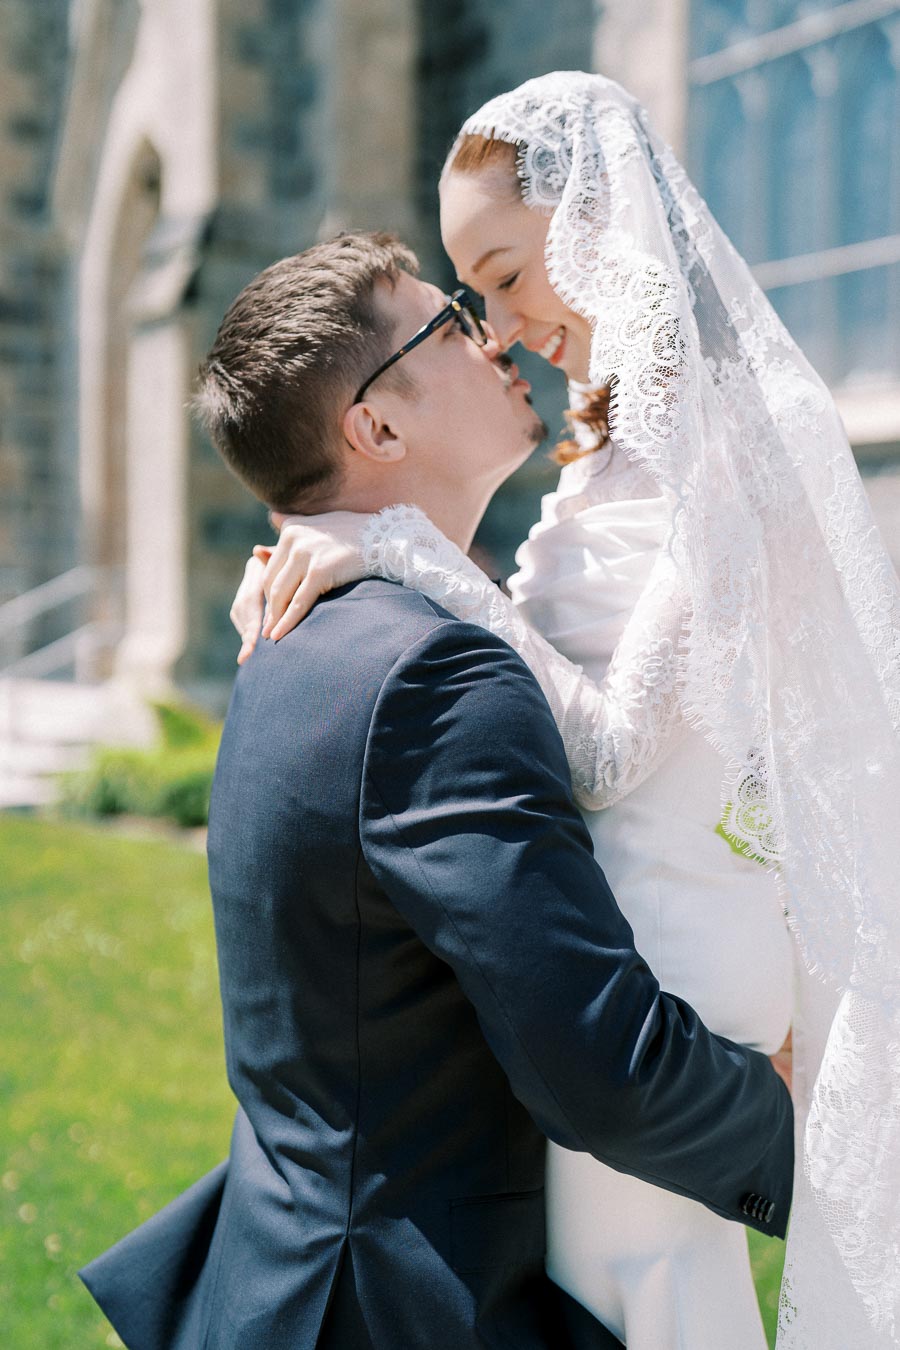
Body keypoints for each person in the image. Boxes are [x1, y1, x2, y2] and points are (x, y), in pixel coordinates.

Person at [231, 73, 900, 1348]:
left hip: (674, 968)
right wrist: (375, 570)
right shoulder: (611, 445)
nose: (495, 323)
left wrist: (404, 555)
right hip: (616, 934)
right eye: (469, 294)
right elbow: (533, 659)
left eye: (506, 273)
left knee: (644, 1298)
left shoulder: (729, 444)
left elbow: (600, 748)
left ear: (602, 229)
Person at [79, 233, 794, 1350]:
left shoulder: (294, 632)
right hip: (412, 1304)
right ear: (376, 427)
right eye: (452, 321)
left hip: (299, 1268)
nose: (495, 332)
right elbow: (597, 1063)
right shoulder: (433, 672)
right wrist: (802, 1134)